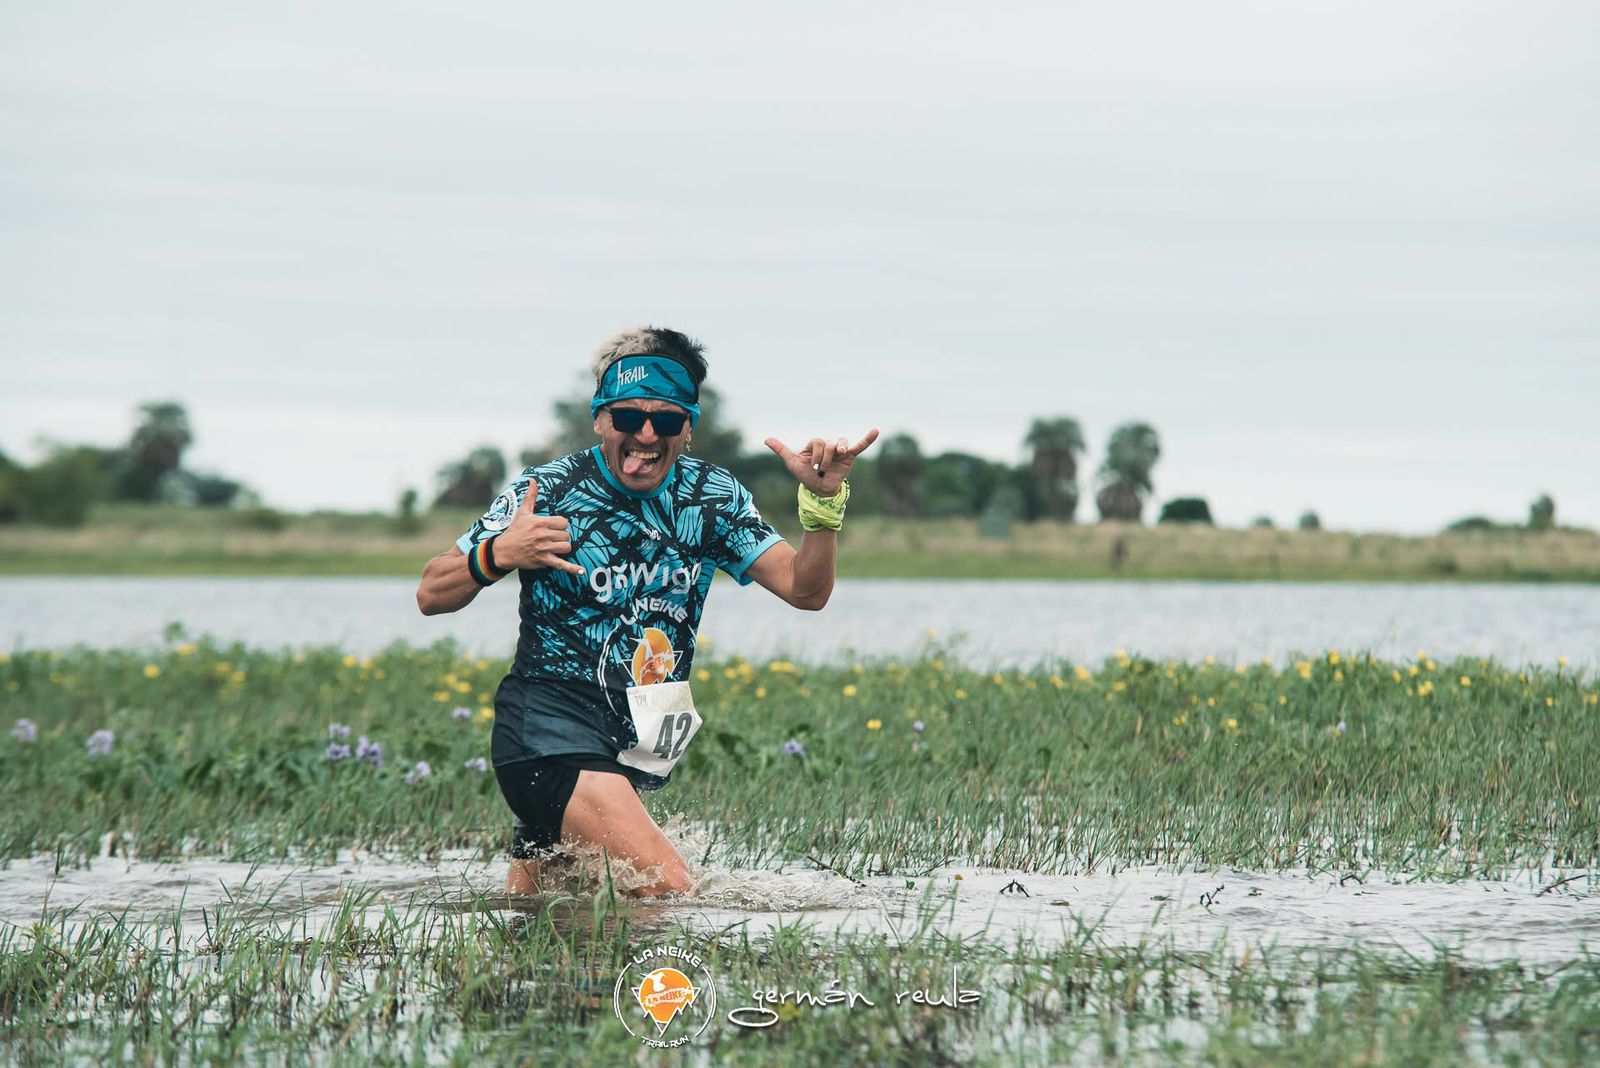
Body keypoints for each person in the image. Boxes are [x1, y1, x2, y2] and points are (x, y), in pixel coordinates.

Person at [416, 326, 878, 897]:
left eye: (664, 420)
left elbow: (805, 591)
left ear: (688, 428)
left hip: (629, 741)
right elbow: (431, 593)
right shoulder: (551, 491)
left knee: (548, 918)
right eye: (628, 417)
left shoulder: (712, 497)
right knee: (668, 888)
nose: (645, 435)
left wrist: (824, 507)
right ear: (600, 420)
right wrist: (501, 553)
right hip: (547, 737)